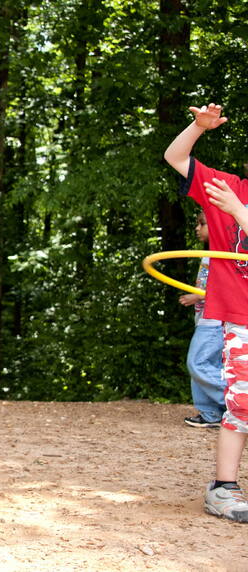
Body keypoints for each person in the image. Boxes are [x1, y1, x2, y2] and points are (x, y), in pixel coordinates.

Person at [165, 102, 248, 523]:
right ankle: (224, 487)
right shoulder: (227, 187)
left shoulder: (234, 200)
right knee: (243, 405)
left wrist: (240, 213)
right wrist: (196, 128)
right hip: (241, 317)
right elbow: (175, 157)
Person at [178, 211, 225, 428]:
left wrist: (197, 295)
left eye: (202, 224)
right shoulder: (211, 254)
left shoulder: (226, 254)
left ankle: (238, 403)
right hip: (205, 318)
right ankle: (210, 413)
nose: (197, 228)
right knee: (206, 364)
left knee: (198, 363)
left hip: (215, 320)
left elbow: (227, 287)